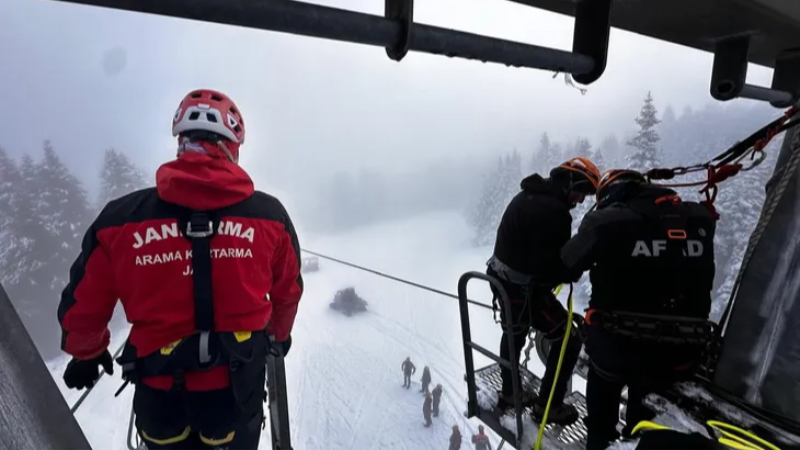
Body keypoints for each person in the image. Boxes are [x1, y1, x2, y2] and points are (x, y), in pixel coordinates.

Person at [57, 89, 303, 450]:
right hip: (233, 395)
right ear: (233, 148)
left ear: (181, 143)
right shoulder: (269, 217)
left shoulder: (120, 222)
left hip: (160, 396)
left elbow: (83, 305)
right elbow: (288, 292)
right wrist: (279, 337)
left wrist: (86, 352)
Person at [560, 169, 717, 450]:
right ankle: (637, 436)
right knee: (645, 410)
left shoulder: (605, 221)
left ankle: (600, 441)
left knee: (603, 397)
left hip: (616, 344)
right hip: (683, 350)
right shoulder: (698, 217)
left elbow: (567, 264)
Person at [486, 157, 601, 425]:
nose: (582, 199)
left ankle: (510, 392)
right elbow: (550, 267)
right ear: (569, 182)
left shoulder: (531, 194)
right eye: (582, 191)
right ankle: (549, 407)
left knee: (514, 334)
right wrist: (576, 267)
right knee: (568, 339)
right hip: (522, 288)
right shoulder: (554, 211)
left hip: (505, 280)